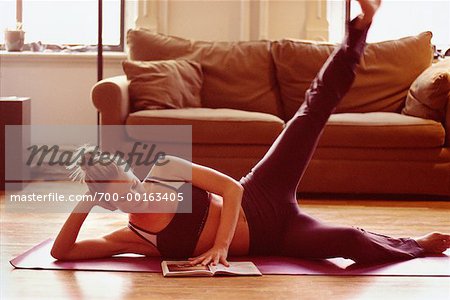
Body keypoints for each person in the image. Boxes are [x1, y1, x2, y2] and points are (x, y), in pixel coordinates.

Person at [51, 0, 450, 266]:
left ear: (131, 173)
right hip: (275, 239)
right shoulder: (133, 237)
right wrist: (88, 200)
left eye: (127, 187)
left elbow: (233, 190)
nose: (130, 200)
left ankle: (360, 29)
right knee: (347, 242)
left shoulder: (164, 168)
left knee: (309, 115)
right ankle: (415, 243)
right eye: (117, 200)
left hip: (262, 193)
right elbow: (61, 252)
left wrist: (221, 247)